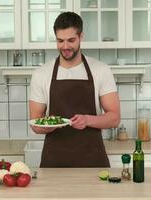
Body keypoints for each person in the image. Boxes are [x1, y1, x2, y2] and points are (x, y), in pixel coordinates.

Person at [29, 12, 121, 168]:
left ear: (81, 37)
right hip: (54, 162)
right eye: (60, 41)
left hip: (92, 160)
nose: (65, 47)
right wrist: (49, 125)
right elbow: (35, 124)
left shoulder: (101, 70)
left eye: (71, 40)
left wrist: (87, 120)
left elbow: (114, 118)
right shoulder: (41, 74)